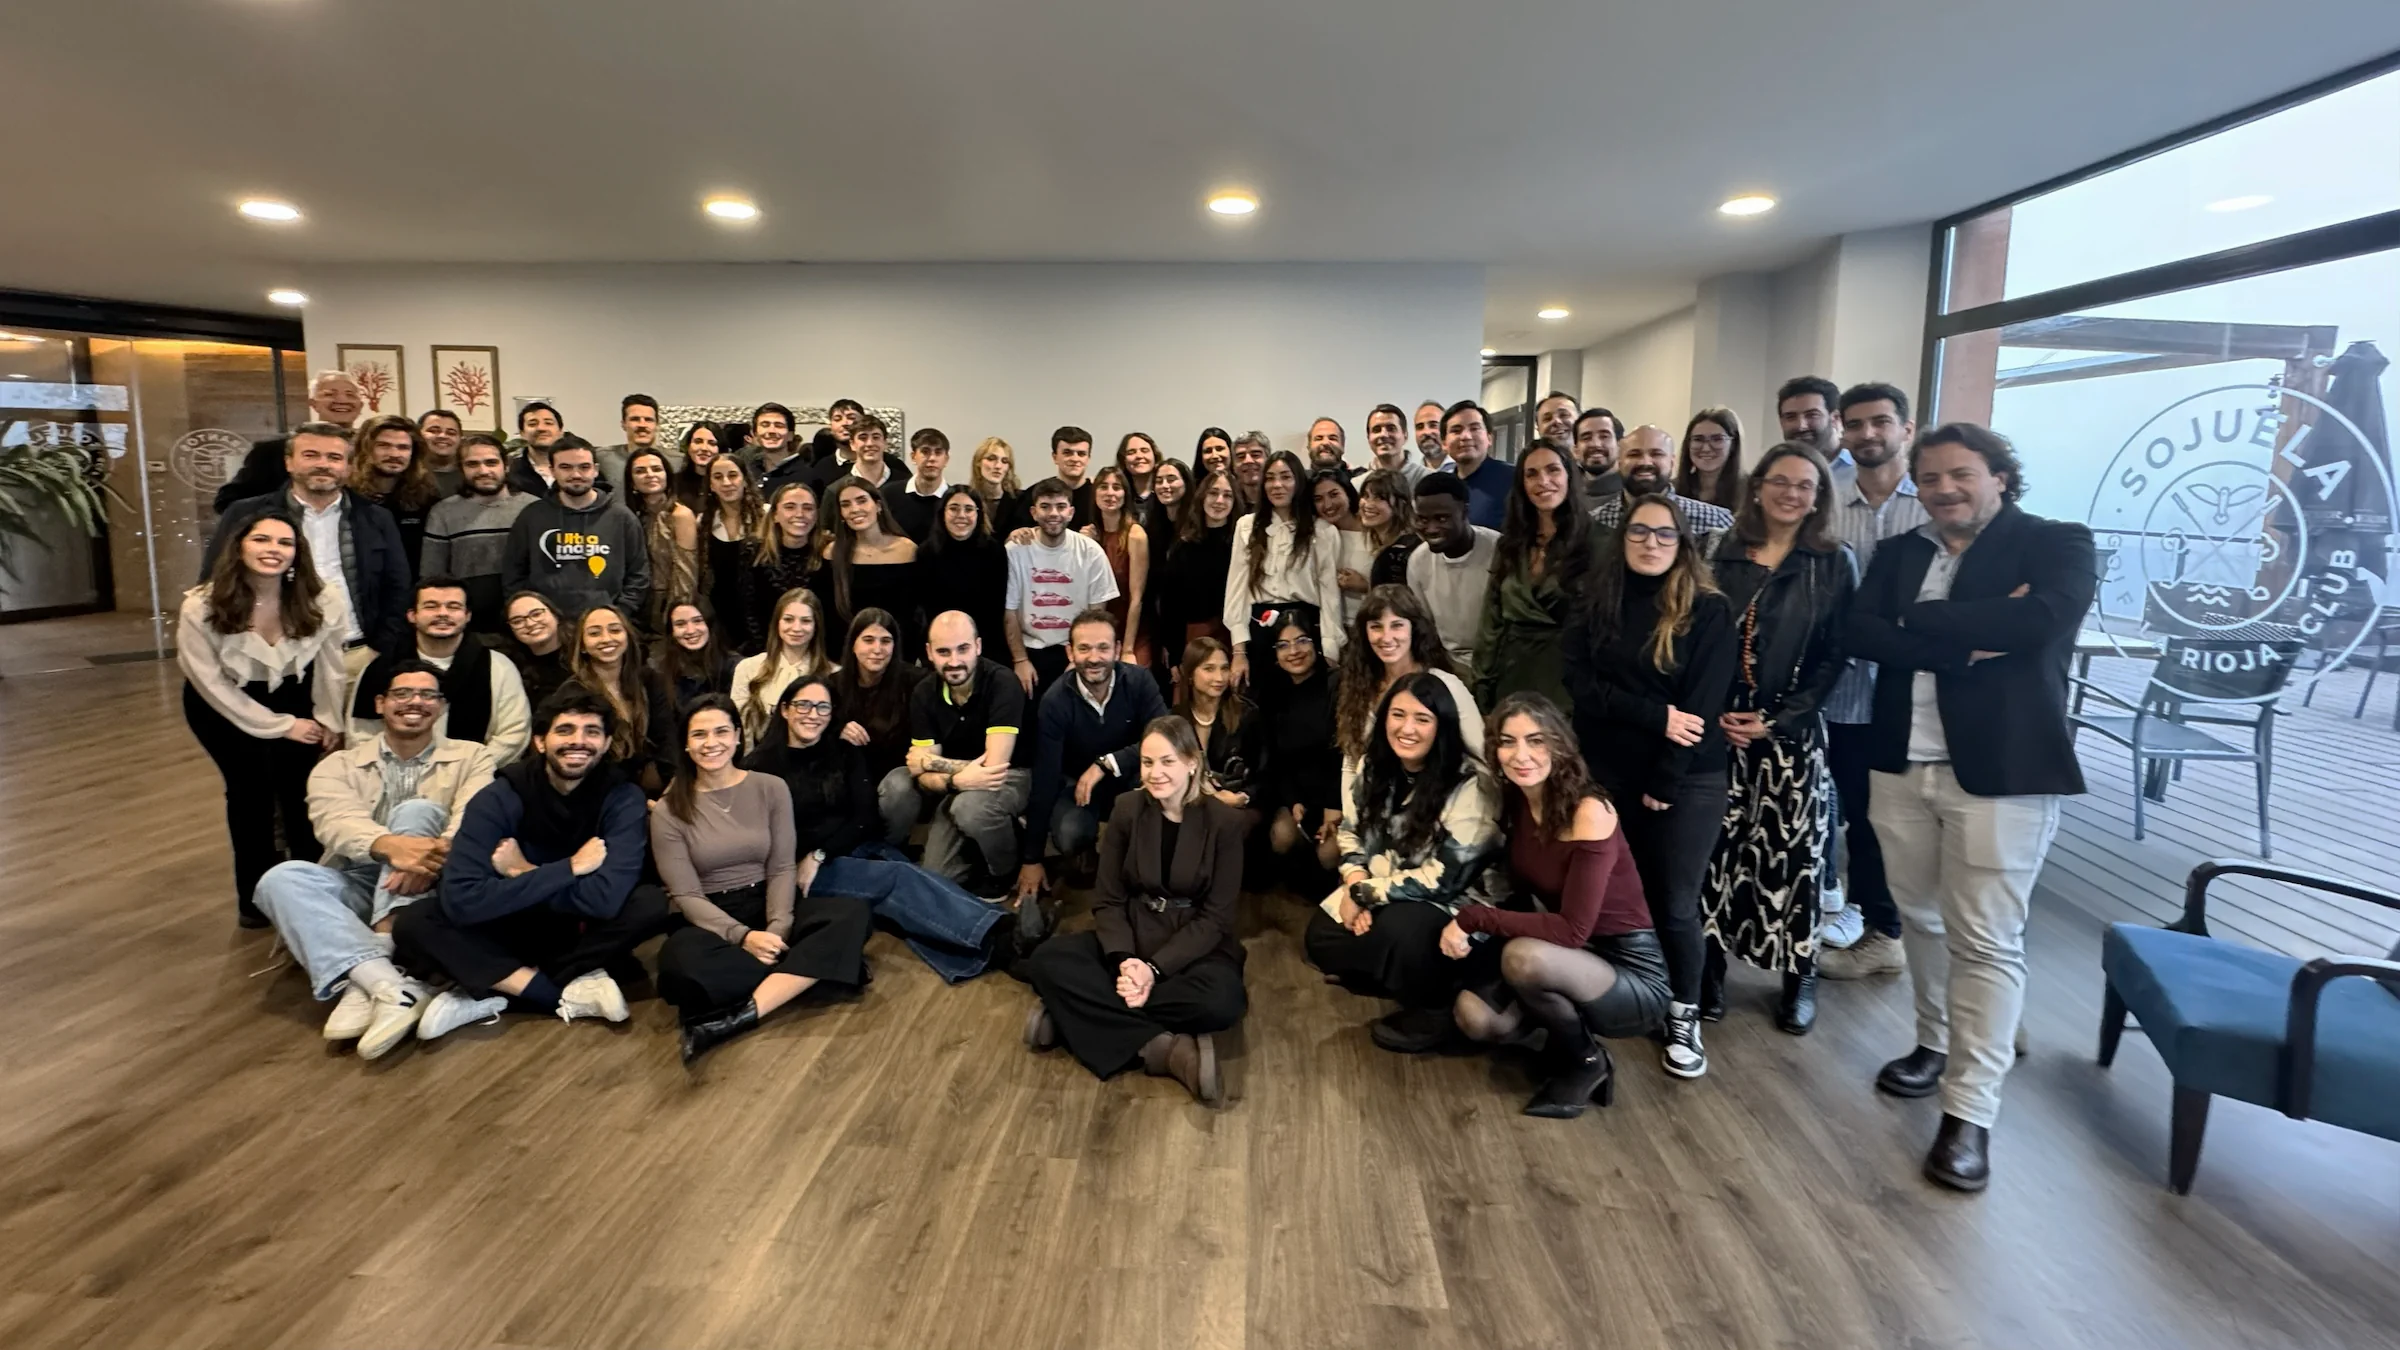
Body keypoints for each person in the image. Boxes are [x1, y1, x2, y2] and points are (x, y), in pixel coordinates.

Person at [1844, 423, 2093, 1192]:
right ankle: (1934, 1042)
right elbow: (1859, 631)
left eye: (1961, 473)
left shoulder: (2055, 543)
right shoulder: (1900, 553)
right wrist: (1965, 637)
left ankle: (1969, 1111)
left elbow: (2039, 622)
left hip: (2003, 772)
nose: (1943, 488)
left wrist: (1916, 621)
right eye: (1929, 478)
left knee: (1985, 940)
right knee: (1920, 918)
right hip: (1901, 762)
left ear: (2000, 477)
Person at [1565, 494, 1734, 1081]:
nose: (1651, 543)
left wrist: (1666, 777)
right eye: (1639, 531)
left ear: (1683, 543)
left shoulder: (1709, 610)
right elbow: (1581, 687)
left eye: (1665, 534)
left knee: (1674, 901)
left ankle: (1684, 1012)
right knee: (1614, 893)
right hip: (1607, 770)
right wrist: (1654, 715)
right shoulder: (1596, 600)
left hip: (1687, 778)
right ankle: (1621, 994)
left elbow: (1701, 709)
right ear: (1622, 537)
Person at [397, 690, 672, 1043]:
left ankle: (492, 987)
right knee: (415, 922)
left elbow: (605, 900)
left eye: (591, 731)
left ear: (605, 744)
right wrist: (569, 868)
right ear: (541, 742)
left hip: (578, 927)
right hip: (508, 922)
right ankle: (556, 990)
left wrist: (522, 870)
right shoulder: (500, 796)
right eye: (565, 730)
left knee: (649, 904)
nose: (578, 741)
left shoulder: (622, 797)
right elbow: (462, 898)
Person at [254, 662, 499, 1058]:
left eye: (428, 695)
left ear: (441, 707)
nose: (415, 702)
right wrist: (390, 847)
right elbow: (335, 822)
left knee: (417, 811)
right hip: (356, 878)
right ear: (380, 703)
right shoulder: (337, 765)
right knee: (280, 879)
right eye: (402, 694)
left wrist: (427, 858)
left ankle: (366, 972)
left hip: (433, 886)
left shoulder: (474, 756)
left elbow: (475, 816)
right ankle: (386, 982)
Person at [1446, 695, 1670, 1117]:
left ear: (1560, 745)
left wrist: (1473, 919)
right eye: (1508, 742)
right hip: (1567, 953)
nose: (1521, 755)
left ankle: (1587, 1060)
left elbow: (1573, 930)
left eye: (1536, 740)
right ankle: (1559, 1032)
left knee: (1522, 958)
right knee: (1475, 1018)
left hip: (1629, 971)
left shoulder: (1591, 810)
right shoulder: (1518, 797)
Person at [1700, 443, 1854, 1036]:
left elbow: (1835, 657)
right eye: (1780, 481)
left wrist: (1779, 719)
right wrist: (1711, 708)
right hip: (1721, 727)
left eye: (1805, 485)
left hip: (1791, 734)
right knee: (1716, 854)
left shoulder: (1833, 562)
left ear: (1818, 498)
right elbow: (1697, 635)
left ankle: (1799, 974)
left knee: (1795, 860)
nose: (1792, 493)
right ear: (1759, 486)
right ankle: (1710, 971)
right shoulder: (1723, 551)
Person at [1022, 715, 1247, 1104]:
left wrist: (1153, 971)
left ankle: (1072, 1017)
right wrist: (1126, 960)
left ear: (1192, 763)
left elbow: (1216, 917)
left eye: (1167, 761)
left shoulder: (1224, 822)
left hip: (1194, 944)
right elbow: (1108, 899)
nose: (1155, 773)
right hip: (1131, 932)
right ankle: (1163, 1050)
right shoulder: (1127, 808)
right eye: (1147, 762)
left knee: (1223, 1001)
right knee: (1046, 960)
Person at [747, 678, 1017, 986]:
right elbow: (763, 839)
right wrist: (807, 860)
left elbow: (866, 817)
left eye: (823, 707)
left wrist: (821, 853)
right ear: (784, 710)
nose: (813, 714)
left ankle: (994, 944)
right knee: (899, 879)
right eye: (803, 705)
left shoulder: (843, 751)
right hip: (802, 870)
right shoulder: (760, 767)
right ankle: (1004, 936)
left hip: (840, 851)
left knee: (915, 884)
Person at [647, 694, 871, 1063]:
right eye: (699, 734)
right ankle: (812, 971)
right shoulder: (669, 810)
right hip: (709, 915)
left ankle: (740, 1014)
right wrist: (744, 937)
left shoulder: (770, 787)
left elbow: (781, 867)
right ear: (686, 744)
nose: (711, 743)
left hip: (768, 900)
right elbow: (686, 895)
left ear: (738, 736)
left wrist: (777, 928)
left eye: (721, 731)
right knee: (679, 965)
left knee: (852, 915)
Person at [1304, 672, 1503, 1052]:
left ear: (1442, 726)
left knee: (1400, 931)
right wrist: (1354, 878)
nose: (1406, 728)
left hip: (1458, 905)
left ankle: (1436, 1012)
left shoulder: (1471, 784)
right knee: (1321, 937)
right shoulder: (1375, 765)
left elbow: (1444, 879)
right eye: (1397, 715)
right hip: (1386, 886)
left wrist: (1363, 894)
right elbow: (1350, 831)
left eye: (1422, 719)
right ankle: (1391, 971)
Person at [181, 509, 351, 926]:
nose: (273, 549)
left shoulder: (323, 598)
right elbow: (210, 684)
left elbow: (331, 665)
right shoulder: (200, 605)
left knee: (302, 793)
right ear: (239, 546)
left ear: (297, 553)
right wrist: (282, 726)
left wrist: (330, 719)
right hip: (223, 703)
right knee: (250, 795)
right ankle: (256, 900)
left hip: (296, 692)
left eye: (285, 542)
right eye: (262, 539)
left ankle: (311, 892)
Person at [1817, 381, 1929, 979]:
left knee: (1889, 820)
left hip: (1910, 691)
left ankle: (1886, 928)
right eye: (1856, 424)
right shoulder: (1825, 500)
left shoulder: (1931, 505)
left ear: (1905, 429)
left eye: (1880, 422)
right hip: (1835, 687)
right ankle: (1860, 917)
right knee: (1846, 808)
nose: (1867, 434)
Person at [205, 421, 412, 672]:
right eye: (311, 455)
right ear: (289, 463)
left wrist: (379, 647)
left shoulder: (377, 518)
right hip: (274, 656)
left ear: (349, 467)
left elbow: (398, 586)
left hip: (356, 654)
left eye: (334, 457)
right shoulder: (246, 514)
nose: (323, 464)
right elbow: (216, 579)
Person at [1016, 609, 1169, 904]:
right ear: (1070, 652)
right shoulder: (1055, 701)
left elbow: (1164, 739)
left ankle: (1139, 868)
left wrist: (1107, 763)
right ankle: (1086, 852)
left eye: (1103, 647)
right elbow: (1045, 778)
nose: (1094, 658)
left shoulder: (1140, 682)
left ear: (1117, 649)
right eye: (1084, 648)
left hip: (1131, 778)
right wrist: (1031, 859)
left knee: (1158, 798)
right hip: (1079, 787)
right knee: (1069, 833)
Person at [905, 612, 1036, 892]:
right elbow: (921, 777)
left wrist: (931, 762)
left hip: (1011, 776)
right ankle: (984, 845)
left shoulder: (1003, 682)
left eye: (962, 649)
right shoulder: (923, 693)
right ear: (929, 653)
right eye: (943, 651)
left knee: (970, 809)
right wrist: (955, 781)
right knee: (936, 878)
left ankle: (1004, 870)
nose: (954, 661)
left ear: (978, 646)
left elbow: (994, 768)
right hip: (958, 787)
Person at [349, 576, 532, 766]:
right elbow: (360, 735)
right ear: (412, 615)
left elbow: (514, 734)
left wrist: (463, 769)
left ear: (467, 615)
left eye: (453, 607)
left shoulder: (498, 667)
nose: (443, 613)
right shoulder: (379, 670)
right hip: (392, 775)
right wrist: (404, 771)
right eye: (431, 606)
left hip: (477, 775)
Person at [1473, 438, 1590, 713]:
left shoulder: (1600, 542)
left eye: (1553, 470)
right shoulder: (1510, 544)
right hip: (1512, 680)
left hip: (1572, 688)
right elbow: (1492, 621)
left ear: (1569, 476)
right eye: (1532, 474)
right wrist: (1482, 686)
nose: (1543, 481)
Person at [1223, 450, 1345, 686]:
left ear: (1298, 482)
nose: (1277, 485)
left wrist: (1330, 649)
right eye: (1270, 478)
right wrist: (1239, 651)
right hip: (1261, 628)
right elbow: (1236, 590)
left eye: (1286, 477)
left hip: (1306, 629)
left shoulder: (1323, 531)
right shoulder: (1246, 526)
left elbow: (1330, 594)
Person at [500, 441, 650, 624]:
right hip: (547, 627)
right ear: (552, 471)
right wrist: (532, 616)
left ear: (595, 470)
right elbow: (513, 574)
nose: (576, 475)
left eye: (584, 467)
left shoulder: (621, 517)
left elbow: (638, 574)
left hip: (605, 626)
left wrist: (620, 613)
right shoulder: (531, 516)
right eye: (566, 467)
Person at [1336, 584, 1481, 764]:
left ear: (1414, 628)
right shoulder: (1359, 686)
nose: (1386, 637)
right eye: (1376, 627)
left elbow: (1482, 756)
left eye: (1397, 625)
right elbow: (1352, 759)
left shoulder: (1448, 685)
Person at [1004, 477, 1119, 703]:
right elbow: (1010, 612)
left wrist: (1079, 658)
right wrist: (1020, 660)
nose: (1053, 513)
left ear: (1071, 512)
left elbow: (1096, 615)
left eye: (1060, 506)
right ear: (1033, 512)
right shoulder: (1016, 551)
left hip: (1077, 650)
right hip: (1030, 651)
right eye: (1045, 506)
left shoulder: (1091, 551)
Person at [821, 607, 929, 843]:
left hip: (899, 773)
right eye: (868, 640)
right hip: (852, 774)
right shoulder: (832, 685)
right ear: (853, 644)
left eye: (885, 641)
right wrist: (837, 729)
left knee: (899, 788)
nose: (877, 649)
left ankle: (889, 845)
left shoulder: (916, 682)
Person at [1253, 611, 1344, 885]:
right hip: (1298, 794)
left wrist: (1334, 807)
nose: (1294, 652)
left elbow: (1343, 754)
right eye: (1284, 645)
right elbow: (1275, 758)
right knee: (1281, 837)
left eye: (1302, 641)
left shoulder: (1337, 684)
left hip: (1336, 793)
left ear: (1315, 642)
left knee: (1329, 854)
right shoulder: (1272, 692)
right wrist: (1293, 800)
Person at [419, 433, 529, 636]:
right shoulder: (443, 512)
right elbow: (432, 576)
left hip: (527, 621)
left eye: (491, 462)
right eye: (472, 464)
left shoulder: (533, 508)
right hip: (468, 626)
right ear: (461, 469)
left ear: (506, 465)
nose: (483, 471)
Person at [212, 369, 366, 511]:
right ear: (313, 403)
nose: (341, 400)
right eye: (329, 394)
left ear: (360, 405)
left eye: (350, 395)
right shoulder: (273, 449)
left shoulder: (371, 448)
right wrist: (274, 521)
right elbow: (229, 501)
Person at [563, 602, 677, 792]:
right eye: (594, 633)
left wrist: (669, 785)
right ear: (582, 646)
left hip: (655, 780)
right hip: (601, 787)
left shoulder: (649, 679)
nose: (606, 639)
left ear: (627, 637)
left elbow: (666, 737)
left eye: (615, 630)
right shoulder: (573, 693)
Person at [1405, 473, 1500, 680]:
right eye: (1422, 519)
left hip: (1500, 662)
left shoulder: (1499, 551)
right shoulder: (1418, 561)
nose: (1431, 529)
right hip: (1451, 666)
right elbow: (1425, 628)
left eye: (1442, 518)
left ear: (1465, 512)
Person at [1152, 467, 1238, 676]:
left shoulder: (1242, 543)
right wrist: (1175, 653)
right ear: (1202, 497)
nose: (1219, 500)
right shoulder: (1183, 546)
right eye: (1213, 493)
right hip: (1195, 639)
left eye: (1227, 495)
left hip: (1236, 638)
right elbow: (1171, 606)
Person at [822, 475, 919, 651]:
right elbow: (829, 613)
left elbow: (913, 612)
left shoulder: (907, 550)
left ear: (878, 506)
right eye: (846, 505)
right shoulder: (832, 553)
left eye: (862, 501)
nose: (855, 509)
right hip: (845, 650)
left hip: (898, 650)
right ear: (841, 514)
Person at [731, 587, 834, 751]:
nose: (796, 628)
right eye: (788, 619)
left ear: (816, 626)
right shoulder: (748, 668)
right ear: (777, 623)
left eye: (806, 621)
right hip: (760, 761)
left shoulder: (833, 674)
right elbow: (743, 730)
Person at [1593, 424, 1736, 541]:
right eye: (1634, 454)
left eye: (1656, 454)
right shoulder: (1595, 522)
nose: (1645, 462)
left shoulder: (1716, 522)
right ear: (1619, 462)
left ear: (1672, 462)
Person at [1174, 637, 1260, 825]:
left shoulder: (1247, 715)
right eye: (1209, 669)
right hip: (1191, 803)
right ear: (1190, 674)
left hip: (1237, 804)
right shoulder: (1175, 719)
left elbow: (1264, 773)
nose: (1220, 678)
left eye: (1224, 668)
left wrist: (1242, 797)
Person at [919, 485, 1009, 665]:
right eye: (954, 508)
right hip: (942, 644)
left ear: (978, 514)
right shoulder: (926, 552)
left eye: (969, 509)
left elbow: (997, 607)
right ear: (942, 513)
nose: (961, 515)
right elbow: (925, 608)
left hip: (987, 646)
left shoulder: (995, 551)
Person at [348, 413, 439, 572]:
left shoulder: (427, 496)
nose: (394, 454)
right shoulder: (347, 495)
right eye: (384, 445)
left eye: (403, 447)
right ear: (365, 449)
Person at [739, 481, 823, 654]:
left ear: (816, 516)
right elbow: (748, 611)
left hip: (816, 651)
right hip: (763, 650)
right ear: (775, 515)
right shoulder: (753, 551)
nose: (800, 514)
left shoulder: (827, 551)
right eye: (790, 507)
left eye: (808, 508)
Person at [1083, 466, 1151, 668]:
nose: (1110, 493)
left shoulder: (1135, 534)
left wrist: (1127, 649)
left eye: (1117, 487)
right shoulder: (1089, 535)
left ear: (1125, 494)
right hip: (1097, 629)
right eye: (1103, 487)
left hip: (1131, 630)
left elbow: (1136, 598)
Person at [625, 447, 699, 633]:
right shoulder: (632, 517)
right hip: (638, 605)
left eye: (656, 469)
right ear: (632, 482)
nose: (650, 475)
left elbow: (686, 573)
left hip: (669, 604)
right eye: (640, 471)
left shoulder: (680, 515)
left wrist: (677, 615)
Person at [697, 454, 766, 650]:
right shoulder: (703, 523)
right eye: (718, 477)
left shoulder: (767, 516)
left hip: (761, 614)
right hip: (721, 620)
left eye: (733, 475)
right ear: (711, 485)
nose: (726, 483)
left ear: (745, 480)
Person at [1315, 469, 1375, 631]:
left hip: (1370, 625)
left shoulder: (1374, 530)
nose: (1328, 504)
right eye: (1318, 499)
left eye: (1334, 495)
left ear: (1348, 493)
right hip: (1333, 628)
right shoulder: (1318, 536)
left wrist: (1366, 586)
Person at [1441, 401, 1512, 530]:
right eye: (1456, 430)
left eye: (1474, 428)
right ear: (1444, 443)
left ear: (1489, 438)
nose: (1466, 436)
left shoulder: (1513, 478)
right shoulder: (1442, 487)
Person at [654, 600, 740, 706]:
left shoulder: (736, 666)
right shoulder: (658, 671)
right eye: (680, 624)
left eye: (697, 621)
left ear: (710, 625)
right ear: (671, 632)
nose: (691, 631)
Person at [501, 590, 573, 709]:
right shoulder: (511, 669)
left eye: (536, 614)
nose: (529, 624)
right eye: (517, 621)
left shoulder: (584, 653)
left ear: (555, 614)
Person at [884, 427, 952, 543]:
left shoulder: (954, 499)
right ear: (913, 457)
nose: (932, 458)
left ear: (946, 459)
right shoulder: (888, 494)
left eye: (938, 452)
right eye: (925, 452)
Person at [1356, 468, 1419, 589]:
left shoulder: (1401, 552)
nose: (1368, 504)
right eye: (1366, 496)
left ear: (1401, 503)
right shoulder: (1384, 545)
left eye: (1379, 498)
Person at [1675, 408, 1744, 514]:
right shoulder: (1672, 490)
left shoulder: (1751, 493)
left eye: (1717, 439)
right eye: (1698, 439)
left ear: (1733, 444)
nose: (1706, 448)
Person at [809, 412, 897, 493]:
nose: (870, 443)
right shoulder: (835, 491)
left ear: (885, 442)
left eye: (876, 437)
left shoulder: (902, 483)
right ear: (852, 444)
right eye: (863, 438)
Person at [596, 393, 669, 489]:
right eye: (635, 419)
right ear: (623, 424)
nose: (642, 425)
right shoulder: (602, 457)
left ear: (657, 425)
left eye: (648, 420)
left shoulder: (678, 461)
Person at [501, 401, 573, 497]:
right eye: (532, 424)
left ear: (561, 431)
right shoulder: (510, 471)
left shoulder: (579, 468)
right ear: (522, 433)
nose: (541, 428)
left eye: (548, 423)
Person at [747, 402, 809, 495]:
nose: (771, 431)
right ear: (755, 434)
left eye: (779, 425)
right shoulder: (747, 472)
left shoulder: (807, 477)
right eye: (765, 425)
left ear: (790, 435)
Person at [1777, 376, 1843, 462]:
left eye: (1812, 415)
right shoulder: (1774, 467)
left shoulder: (1857, 466)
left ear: (1835, 418)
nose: (1801, 426)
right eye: (1790, 417)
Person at [966, 436, 1023, 535]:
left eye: (1004, 461)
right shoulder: (967, 499)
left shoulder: (1021, 501)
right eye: (991, 459)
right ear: (978, 463)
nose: (998, 466)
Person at [1047, 424, 1101, 528]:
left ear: (1088, 458)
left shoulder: (1100, 495)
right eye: (1067, 453)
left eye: (1081, 454)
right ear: (1055, 457)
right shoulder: (1036, 494)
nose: (1075, 459)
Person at [1365, 403, 1423, 490]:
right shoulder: (1357, 484)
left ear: (1405, 435)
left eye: (1391, 428)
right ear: (1368, 438)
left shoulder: (1427, 478)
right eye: (1377, 430)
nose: (1383, 434)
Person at [670, 421, 724, 514]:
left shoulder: (727, 483)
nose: (704, 448)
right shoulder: (672, 482)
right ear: (688, 446)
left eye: (712, 443)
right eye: (698, 441)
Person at [1574, 407, 1623, 506]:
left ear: (1620, 446)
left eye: (1604, 436)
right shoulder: (1566, 497)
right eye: (1586, 438)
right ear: (1576, 451)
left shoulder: (1634, 495)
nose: (1595, 444)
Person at [416, 409, 465, 498]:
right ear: (418, 435)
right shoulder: (406, 475)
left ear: (460, 439)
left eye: (451, 433)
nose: (443, 436)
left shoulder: (470, 476)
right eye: (434, 431)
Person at [1229, 430, 1270, 508]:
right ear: (1233, 465)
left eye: (1255, 455)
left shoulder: (1281, 498)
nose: (1248, 461)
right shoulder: (1227, 502)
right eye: (1241, 456)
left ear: (1268, 460)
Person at [1411, 400, 1449, 475]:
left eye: (1433, 425)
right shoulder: (1412, 476)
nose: (1426, 432)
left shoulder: (1463, 469)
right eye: (1420, 427)